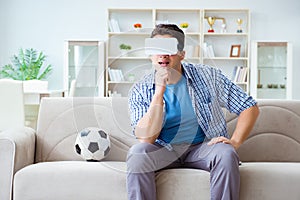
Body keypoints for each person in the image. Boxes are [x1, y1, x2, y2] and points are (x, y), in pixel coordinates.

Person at [126, 24, 259, 200]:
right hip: (163, 149)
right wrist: (159, 92)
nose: (163, 54)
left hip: (203, 148)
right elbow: (146, 139)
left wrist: (234, 142)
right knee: (138, 154)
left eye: (170, 49)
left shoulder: (209, 76)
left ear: (182, 54)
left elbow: (249, 106)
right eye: (157, 49)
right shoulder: (140, 89)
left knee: (226, 153)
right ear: (151, 54)